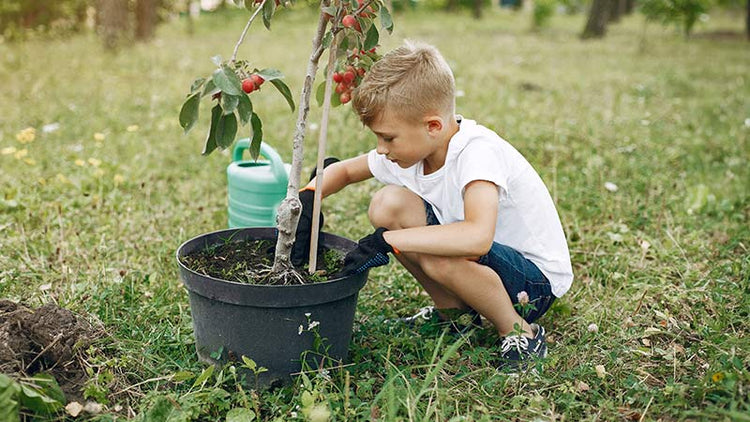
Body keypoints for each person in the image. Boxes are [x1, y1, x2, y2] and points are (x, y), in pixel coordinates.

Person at [293, 40, 573, 372]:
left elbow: (477, 238)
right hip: (483, 266)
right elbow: (349, 170)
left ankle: (520, 331)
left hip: (532, 284)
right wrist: (310, 196)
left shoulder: (476, 154)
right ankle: (454, 316)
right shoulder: (416, 150)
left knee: (437, 253)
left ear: (433, 126)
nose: (381, 149)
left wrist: (387, 241)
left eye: (388, 138)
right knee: (388, 205)